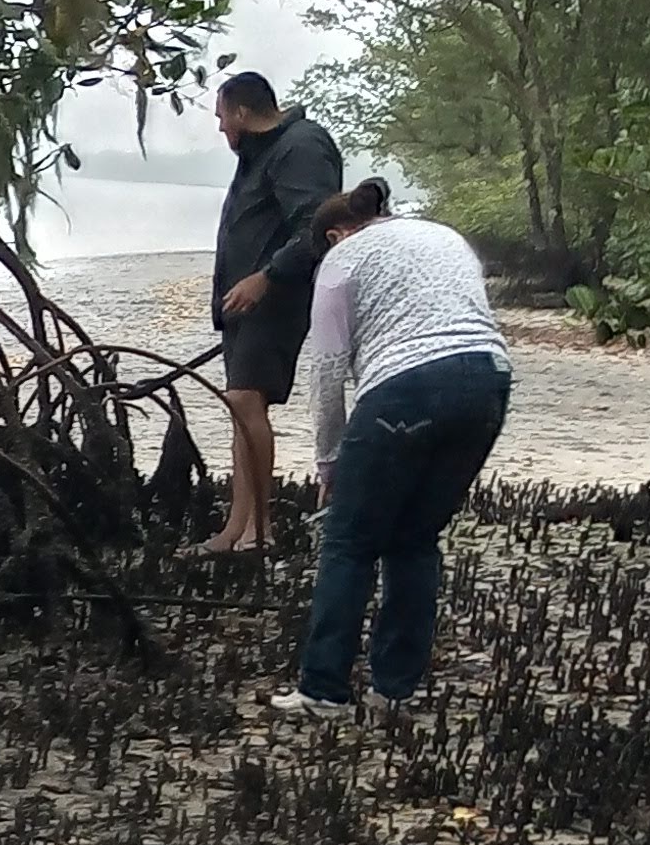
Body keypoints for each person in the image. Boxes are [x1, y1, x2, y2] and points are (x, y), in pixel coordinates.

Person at [270, 179, 512, 716]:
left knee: (348, 540)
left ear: (335, 235)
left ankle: (323, 688)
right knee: (415, 538)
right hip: (489, 379)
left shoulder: (341, 260)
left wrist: (328, 462)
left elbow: (328, 369)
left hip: (405, 388)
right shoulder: (444, 237)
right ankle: (394, 689)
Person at [202, 70, 345, 555]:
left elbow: (316, 225)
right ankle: (236, 526)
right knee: (241, 404)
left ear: (242, 112)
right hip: (243, 300)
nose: (221, 129)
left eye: (223, 117)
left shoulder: (302, 147)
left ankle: (260, 528)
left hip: (275, 295)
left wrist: (265, 278)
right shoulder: (257, 153)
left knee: (245, 400)